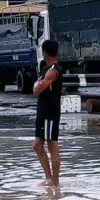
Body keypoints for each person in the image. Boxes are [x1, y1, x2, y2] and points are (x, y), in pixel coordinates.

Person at [33, 39, 62, 186]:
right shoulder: (45, 68)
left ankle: (55, 181)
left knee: (52, 145)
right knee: (37, 146)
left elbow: (37, 89)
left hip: (50, 113)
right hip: (42, 112)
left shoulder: (53, 71)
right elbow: (37, 87)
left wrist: (37, 85)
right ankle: (49, 178)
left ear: (45, 53)